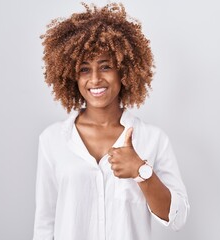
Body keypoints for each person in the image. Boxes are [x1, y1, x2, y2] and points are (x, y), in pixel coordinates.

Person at [33, 3, 189, 240]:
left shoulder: (152, 139)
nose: (95, 79)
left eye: (105, 67)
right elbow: (45, 223)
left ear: (123, 71)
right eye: (84, 69)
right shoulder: (52, 139)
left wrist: (140, 170)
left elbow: (177, 218)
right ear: (71, 75)